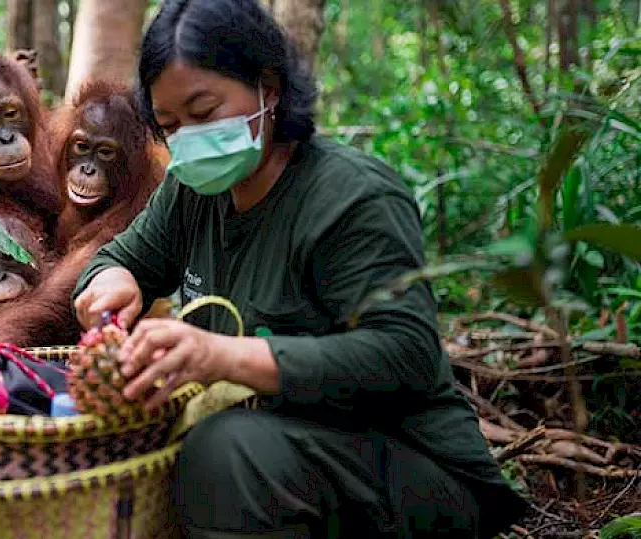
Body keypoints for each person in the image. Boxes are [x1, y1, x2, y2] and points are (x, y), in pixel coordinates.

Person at [72, 0, 527, 537]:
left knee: (225, 449)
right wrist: (109, 281)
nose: (189, 138)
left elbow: (402, 356)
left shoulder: (351, 198)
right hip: (286, 450)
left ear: (269, 88)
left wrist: (222, 355)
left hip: (412, 468)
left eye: (204, 112)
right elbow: (120, 260)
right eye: (170, 125)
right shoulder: (191, 192)